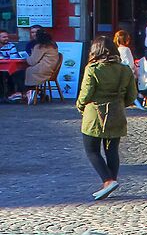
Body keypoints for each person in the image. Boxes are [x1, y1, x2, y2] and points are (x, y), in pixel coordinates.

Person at [76, 38, 137, 201]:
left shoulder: (93, 69)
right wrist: (120, 103)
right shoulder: (125, 70)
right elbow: (132, 95)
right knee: (112, 150)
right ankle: (109, 183)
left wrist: (80, 105)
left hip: (95, 114)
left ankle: (108, 180)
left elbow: (86, 93)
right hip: (117, 112)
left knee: (92, 150)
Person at [21, 28, 63, 104]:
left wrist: (27, 57)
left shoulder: (40, 46)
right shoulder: (53, 45)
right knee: (25, 72)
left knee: (21, 73)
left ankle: (27, 93)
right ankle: (38, 93)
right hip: (51, 70)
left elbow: (32, 62)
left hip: (41, 71)